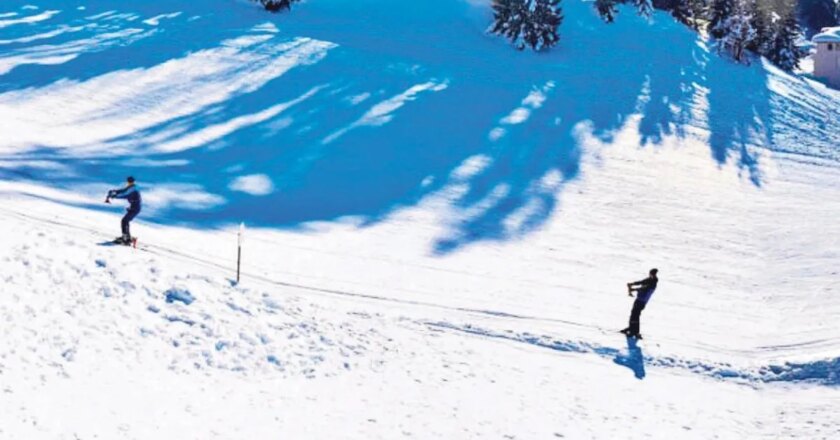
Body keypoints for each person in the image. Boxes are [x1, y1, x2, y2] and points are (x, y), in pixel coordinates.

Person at [620, 268, 659, 339]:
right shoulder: (650, 279)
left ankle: (634, 331)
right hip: (639, 300)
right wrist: (632, 284)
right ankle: (631, 328)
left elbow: (644, 288)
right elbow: (641, 282)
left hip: (641, 301)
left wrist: (633, 289)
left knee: (635, 315)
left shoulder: (653, 283)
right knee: (634, 314)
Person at [106, 176, 142, 245]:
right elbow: (124, 190)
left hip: (135, 208)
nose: (129, 183)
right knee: (125, 221)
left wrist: (114, 196)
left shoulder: (133, 189)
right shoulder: (132, 187)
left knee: (124, 221)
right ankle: (127, 237)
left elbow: (125, 195)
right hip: (134, 207)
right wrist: (115, 191)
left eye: (130, 182)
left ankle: (126, 239)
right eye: (129, 182)